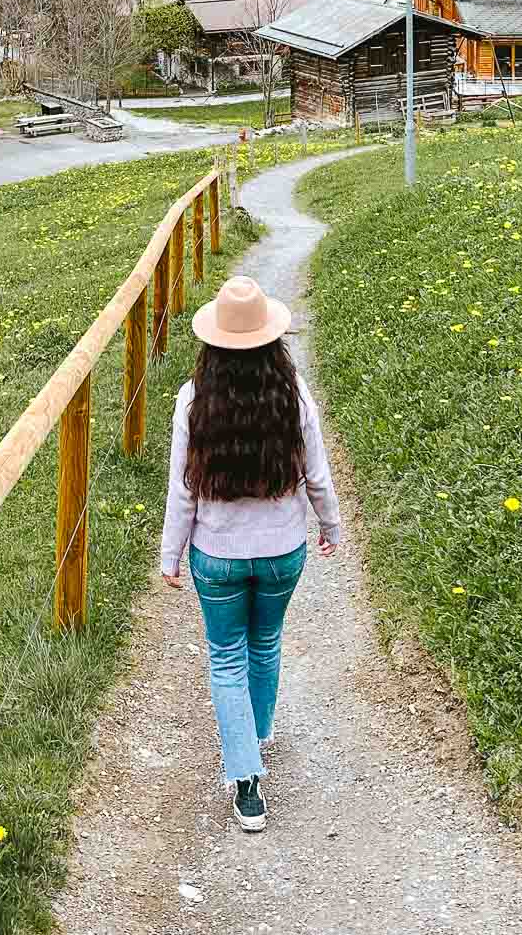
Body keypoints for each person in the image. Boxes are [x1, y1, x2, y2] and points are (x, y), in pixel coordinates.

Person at [160, 274, 341, 833]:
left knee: (226, 658)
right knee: (266, 643)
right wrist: (330, 524)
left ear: (212, 344)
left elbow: (182, 487)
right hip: (283, 550)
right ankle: (257, 732)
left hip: (216, 555)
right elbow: (316, 473)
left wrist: (171, 555)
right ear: (272, 339)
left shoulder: (194, 400)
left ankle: (246, 778)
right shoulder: (294, 393)